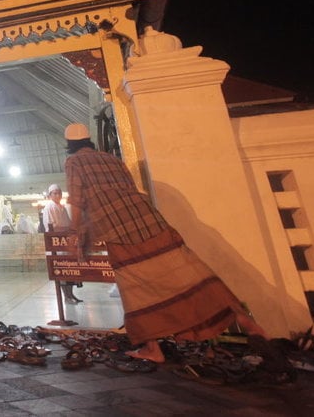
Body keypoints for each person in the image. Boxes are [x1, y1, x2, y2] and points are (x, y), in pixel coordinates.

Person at [63, 122, 268, 363]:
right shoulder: (111, 159)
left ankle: (152, 348)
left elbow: (77, 201)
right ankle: (242, 318)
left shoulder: (74, 162)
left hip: (118, 231)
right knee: (189, 274)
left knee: (137, 290)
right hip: (150, 221)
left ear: (69, 145)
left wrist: (74, 233)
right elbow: (130, 188)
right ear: (90, 140)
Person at [43, 183, 82, 304]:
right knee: (62, 271)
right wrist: (65, 229)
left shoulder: (62, 207)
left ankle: (71, 294)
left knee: (70, 271)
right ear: (50, 195)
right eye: (55, 193)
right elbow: (51, 227)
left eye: (59, 192)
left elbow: (68, 223)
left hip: (67, 243)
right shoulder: (49, 207)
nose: (58, 195)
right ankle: (66, 297)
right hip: (58, 245)